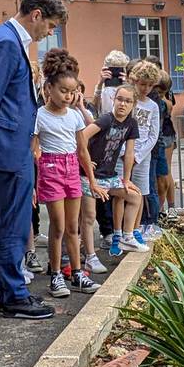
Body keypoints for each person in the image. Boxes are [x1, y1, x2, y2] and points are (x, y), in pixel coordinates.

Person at [0, 0, 67, 320]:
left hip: (11, 142)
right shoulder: (8, 43)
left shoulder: (6, 38)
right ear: (36, 14)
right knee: (13, 222)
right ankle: (13, 295)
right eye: (50, 25)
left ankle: (11, 292)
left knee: (10, 221)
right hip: (9, 146)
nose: (50, 33)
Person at [32, 49, 102, 298]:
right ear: (49, 87)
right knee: (58, 227)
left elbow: (83, 151)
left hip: (72, 169)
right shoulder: (39, 116)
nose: (68, 96)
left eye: (72, 92)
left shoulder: (74, 117)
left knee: (75, 227)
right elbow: (33, 151)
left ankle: (77, 273)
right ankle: (55, 275)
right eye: (63, 91)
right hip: (50, 170)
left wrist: (92, 182)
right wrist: (32, 184)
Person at [103, 59, 161, 256]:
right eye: (142, 83)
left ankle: (134, 231)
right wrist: (120, 153)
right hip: (120, 156)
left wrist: (138, 155)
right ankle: (118, 233)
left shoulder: (153, 106)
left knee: (140, 193)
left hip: (141, 157)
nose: (145, 88)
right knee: (120, 194)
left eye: (149, 85)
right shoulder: (126, 100)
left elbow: (153, 135)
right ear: (134, 80)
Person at [85, 85, 144, 255]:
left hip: (109, 177)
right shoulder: (106, 119)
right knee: (88, 217)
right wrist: (86, 161)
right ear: (113, 99)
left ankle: (127, 237)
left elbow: (129, 153)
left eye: (128, 101)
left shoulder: (131, 124)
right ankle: (89, 255)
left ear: (133, 105)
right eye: (120, 99)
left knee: (135, 196)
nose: (122, 104)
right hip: (91, 176)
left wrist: (126, 179)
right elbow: (82, 136)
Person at [74, 82, 107, 275]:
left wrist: (80, 107)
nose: (72, 95)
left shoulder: (81, 112)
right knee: (73, 218)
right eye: (69, 91)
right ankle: (74, 257)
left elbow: (92, 126)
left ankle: (89, 255)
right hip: (72, 169)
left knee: (88, 215)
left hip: (85, 170)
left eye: (77, 91)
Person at [148, 73, 179, 232]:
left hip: (164, 137)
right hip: (155, 141)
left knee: (165, 173)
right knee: (155, 179)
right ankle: (158, 212)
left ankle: (166, 208)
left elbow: (169, 106)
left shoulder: (162, 102)